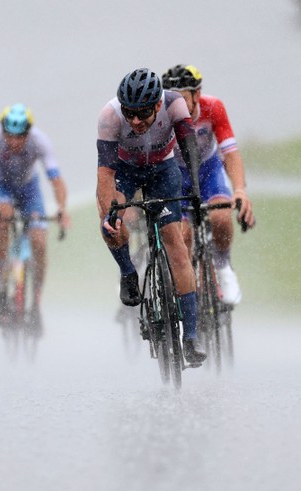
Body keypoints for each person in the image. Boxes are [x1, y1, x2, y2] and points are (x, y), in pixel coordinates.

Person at [96, 68, 206, 364]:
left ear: (157, 104)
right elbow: (105, 173)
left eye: (142, 113)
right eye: (129, 113)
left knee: (177, 247)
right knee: (111, 224)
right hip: (125, 172)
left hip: (163, 171)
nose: (134, 121)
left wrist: (194, 190)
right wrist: (110, 215)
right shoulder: (109, 116)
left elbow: (189, 149)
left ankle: (192, 337)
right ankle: (128, 272)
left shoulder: (174, 105)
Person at [161, 64, 256, 304]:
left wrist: (240, 191)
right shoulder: (160, 117)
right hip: (176, 175)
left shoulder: (213, 108)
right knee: (182, 236)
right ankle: (188, 291)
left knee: (221, 217)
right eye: (170, 101)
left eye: (181, 99)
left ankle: (223, 266)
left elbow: (231, 153)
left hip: (208, 169)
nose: (176, 107)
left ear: (197, 94)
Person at [0, 103, 71, 328]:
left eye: (21, 137)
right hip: (1, 187)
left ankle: (36, 300)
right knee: (3, 217)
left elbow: (56, 180)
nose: (15, 142)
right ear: (3, 132)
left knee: (39, 240)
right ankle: (1, 284)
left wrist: (61, 207)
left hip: (29, 189)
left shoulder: (40, 141)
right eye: (10, 136)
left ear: (28, 133)